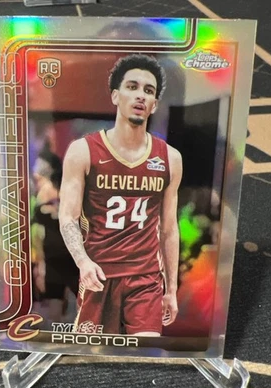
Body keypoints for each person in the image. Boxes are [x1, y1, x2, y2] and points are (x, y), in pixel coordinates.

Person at [59, 54, 183, 336]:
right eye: (132, 86)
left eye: (148, 91)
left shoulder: (170, 158)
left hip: (146, 279)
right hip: (99, 275)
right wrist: (82, 262)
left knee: (147, 350)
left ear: (154, 104)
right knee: (93, 355)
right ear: (115, 96)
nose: (140, 95)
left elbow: (169, 229)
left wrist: (171, 290)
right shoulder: (83, 151)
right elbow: (68, 217)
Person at [31, 147, 79, 326]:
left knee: (59, 301)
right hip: (64, 253)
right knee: (60, 303)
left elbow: (38, 222)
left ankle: (62, 330)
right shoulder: (68, 191)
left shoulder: (50, 190)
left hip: (62, 254)